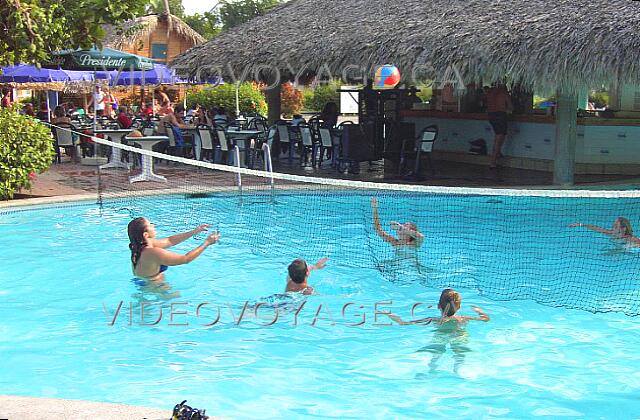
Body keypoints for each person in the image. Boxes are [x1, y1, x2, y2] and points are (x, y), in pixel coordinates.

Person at [386, 288, 490, 374]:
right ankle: (458, 371)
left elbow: (403, 323)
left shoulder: (433, 320)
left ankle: (432, 370)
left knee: (436, 354)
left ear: (438, 306)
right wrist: (480, 311)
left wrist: (390, 315)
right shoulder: (464, 319)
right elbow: (485, 319)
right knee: (459, 355)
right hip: (458, 335)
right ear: (459, 307)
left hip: (441, 335)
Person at [127, 217, 220, 281]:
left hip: (142, 282)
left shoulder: (139, 245)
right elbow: (185, 259)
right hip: (154, 288)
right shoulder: (153, 252)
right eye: (150, 225)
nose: (153, 225)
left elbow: (170, 240)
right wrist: (206, 243)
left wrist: (194, 231)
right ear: (145, 235)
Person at [485, 83, 513, 169]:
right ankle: (493, 162)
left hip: (491, 115)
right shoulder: (504, 93)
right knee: (499, 137)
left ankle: (498, 153)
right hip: (500, 115)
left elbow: (487, 105)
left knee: (500, 135)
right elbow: (511, 107)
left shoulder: (490, 93)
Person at [569, 217, 640, 247]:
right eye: (613, 225)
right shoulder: (612, 233)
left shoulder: (629, 238)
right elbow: (597, 229)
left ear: (623, 229)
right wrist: (581, 224)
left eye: (615, 226)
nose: (612, 227)